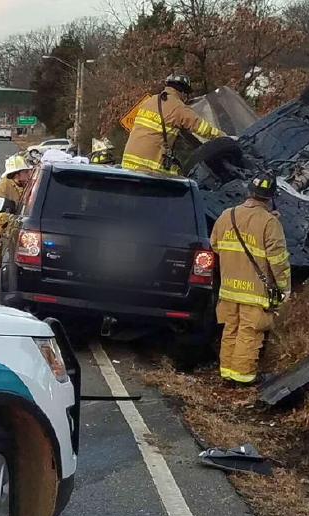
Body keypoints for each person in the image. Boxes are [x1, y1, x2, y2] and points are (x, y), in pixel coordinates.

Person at [210, 171, 292, 386]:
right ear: (270, 197)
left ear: (249, 191)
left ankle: (227, 374)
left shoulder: (227, 215)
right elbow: (279, 260)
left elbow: (215, 246)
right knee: (249, 333)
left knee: (230, 330)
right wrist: (285, 288)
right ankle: (243, 377)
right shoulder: (270, 223)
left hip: (228, 288)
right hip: (254, 291)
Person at [122, 73, 224, 175]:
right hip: (149, 166)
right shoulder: (177, 106)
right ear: (183, 92)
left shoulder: (149, 101)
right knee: (184, 182)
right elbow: (202, 128)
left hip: (128, 161)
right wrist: (225, 138)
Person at [0, 153, 34, 303]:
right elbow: (0, 214)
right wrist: (16, 220)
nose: (28, 173)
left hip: (8, 238)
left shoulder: (19, 187)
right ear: (17, 174)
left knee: (3, 276)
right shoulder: (2, 189)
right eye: (25, 171)